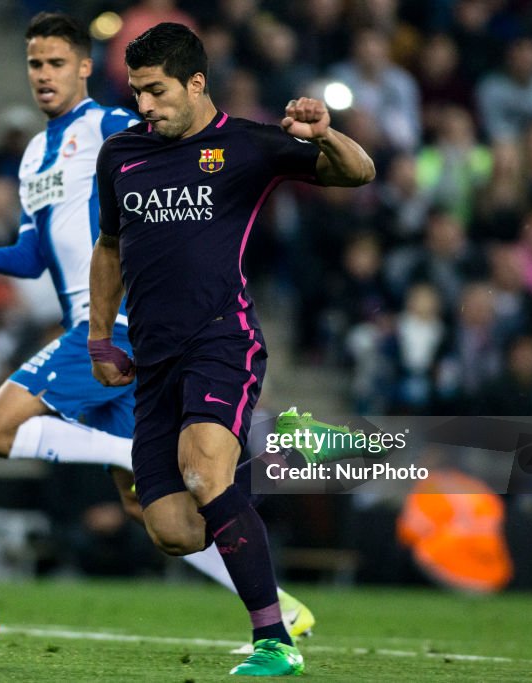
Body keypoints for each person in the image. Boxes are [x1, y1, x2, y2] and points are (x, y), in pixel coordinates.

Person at [0, 13, 315, 637]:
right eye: (33, 65)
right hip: (91, 323)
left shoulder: (117, 125)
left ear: (82, 67)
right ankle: (276, 602)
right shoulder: (32, 157)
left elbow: (170, 165)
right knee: (153, 510)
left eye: (54, 63)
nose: (42, 76)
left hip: (125, 324)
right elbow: (35, 253)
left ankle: (163, 466)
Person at [89, 23, 374, 676]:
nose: (144, 106)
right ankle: (241, 491)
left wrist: (325, 134)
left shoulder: (244, 146)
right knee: (174, 528)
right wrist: (101, 336)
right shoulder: (121, 156)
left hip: (221, 339)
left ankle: (275, 640)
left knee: (204, 470)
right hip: (153, 361)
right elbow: (109, 249)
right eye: (136, 92)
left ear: (195, 83)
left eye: (156, 91)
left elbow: (360, 173)